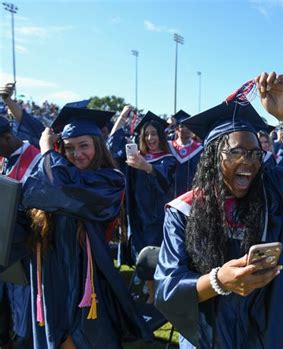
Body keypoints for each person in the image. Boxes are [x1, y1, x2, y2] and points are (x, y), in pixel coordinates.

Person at [154, 72, 283, 348]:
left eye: (256, 153)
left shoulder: (272, 195)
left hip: (266, 334)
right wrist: (220, 281)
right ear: (212, 157)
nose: (250, 162)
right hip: (211, 337)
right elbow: (167, 288)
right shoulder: (184, 211)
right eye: (236, 152)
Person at [22, 107, 153, 348]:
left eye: (84, 145)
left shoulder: (110, 180)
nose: (76, 154)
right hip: (52, 271)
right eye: (69, 147)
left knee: (85, 337)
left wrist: (47, 151)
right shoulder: (59, 171)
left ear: (97, 146)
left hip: (87, 274)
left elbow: (60, 190)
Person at [124, 111, 177, 303]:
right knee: (142, 254)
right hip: (139, 216)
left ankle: (161, 293)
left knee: (158, 255)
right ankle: (151, 291)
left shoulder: (168, 159)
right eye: (146, 134)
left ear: (161, 136)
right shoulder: (136, 159)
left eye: (154, 134)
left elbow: (165, 182)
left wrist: (147, 167)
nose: (150, 138)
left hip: (158, 219)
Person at [0, 115, 41, 349]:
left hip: (25, 254)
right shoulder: (6, 158)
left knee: (23, 317)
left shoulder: (35, 161)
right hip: (5, 249)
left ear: (6, 138)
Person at [168, 109, 203, 197]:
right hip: (169, 195)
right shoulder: (169, 147)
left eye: (189, 126)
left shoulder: (199, 149)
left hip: (191, 196)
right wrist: (169, 124)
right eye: (183, 126)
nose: (187, 129)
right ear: (176, 129)